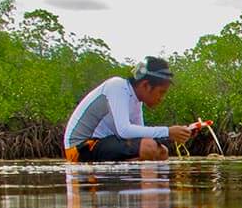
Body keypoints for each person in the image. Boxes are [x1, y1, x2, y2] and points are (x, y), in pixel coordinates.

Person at [63, 56, 192, 163]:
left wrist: (179, 133)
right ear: (146, 85)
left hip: (102, 144)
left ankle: (140, 191)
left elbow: (140, 136)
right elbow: (124, 131)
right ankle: (143, 191)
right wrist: (168, 132)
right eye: (161, 92)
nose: (161, 98)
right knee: (149, 147)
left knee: (162, 152)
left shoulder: (135, 100)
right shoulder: (117, 86)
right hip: (80, 148)